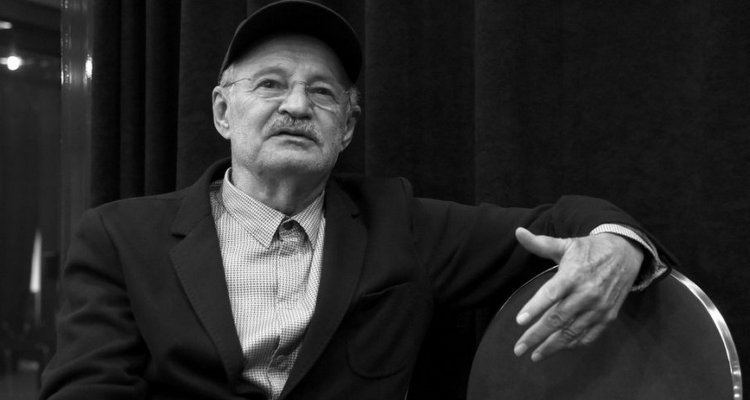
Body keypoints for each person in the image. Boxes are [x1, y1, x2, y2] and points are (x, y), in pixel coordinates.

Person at [40, 1, 675, 399]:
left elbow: (560, 221)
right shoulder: (120, 237)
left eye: (322, 93)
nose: (296, 105)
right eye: (270, 85)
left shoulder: (401, 223)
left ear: (346, 127)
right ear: (222, 111)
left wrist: (616, 247)